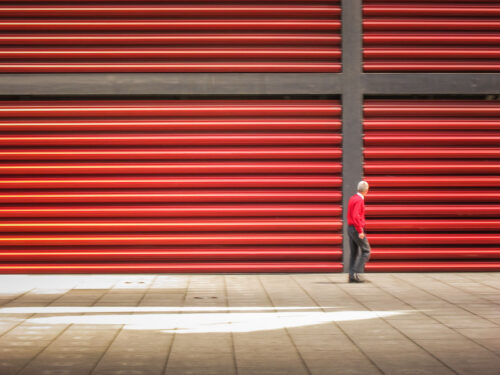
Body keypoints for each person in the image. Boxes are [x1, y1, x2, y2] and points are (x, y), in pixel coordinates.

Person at [347, 181, 371, 283]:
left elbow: (351, 214)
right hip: (356, 229)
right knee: (366, 251)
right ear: (366, 190)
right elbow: (356, 216)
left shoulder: (352, 198)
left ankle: (351, 276)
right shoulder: (359, 200)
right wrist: (360, 230)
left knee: (354, 253)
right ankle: (357, 273)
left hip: (350, 228)